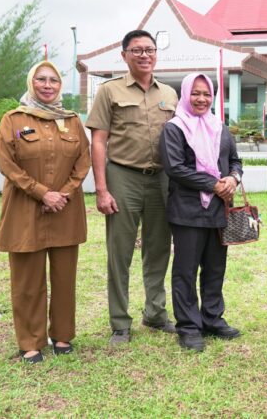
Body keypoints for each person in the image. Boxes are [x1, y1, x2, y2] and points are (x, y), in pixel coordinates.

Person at [85, 29, 178, 345]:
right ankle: (120, 323)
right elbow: (98, 141)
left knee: (158, 249)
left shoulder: (169, 93)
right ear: (124, 55)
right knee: (120, 251)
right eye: (136, 50)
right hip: (123, 176)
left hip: (162, 179)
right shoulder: (109, 91)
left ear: (156, 54)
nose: (144, 55)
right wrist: (101, 188)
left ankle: (155, 314)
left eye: (149, 49)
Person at [0, 61, 91, 363]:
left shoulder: (73, 121)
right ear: (31, 82)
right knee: (27, 280)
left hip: (65, 208)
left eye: (54, 80)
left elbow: (83, 161)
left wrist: (62, 193)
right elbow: (7, 164)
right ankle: (31, 341)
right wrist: (41, 193)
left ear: (60, 86)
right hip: (25, 209)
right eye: (41, 79)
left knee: (64, 278)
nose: (48, 85)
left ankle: (62, 335)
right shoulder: (12, 120)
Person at [159, 73, 243, 352]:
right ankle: (188, 326)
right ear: (185, 94)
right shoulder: (175, 127)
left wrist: (233, 178)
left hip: (219, 210)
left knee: (215, 268)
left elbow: (235, 160)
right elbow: (175, 167)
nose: (201, 99)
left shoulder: (219, 126)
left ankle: (212, 319)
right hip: (188, 210)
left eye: (207, 94)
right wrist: (214, 184)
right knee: (185, 270)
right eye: (195, 93)